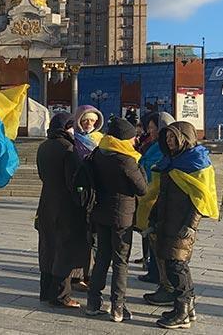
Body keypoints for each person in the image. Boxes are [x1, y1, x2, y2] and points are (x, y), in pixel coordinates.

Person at [151, 122, 217, 329]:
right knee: (172, 263)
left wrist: (191, 225)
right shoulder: (171, 160)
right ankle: (187, 309)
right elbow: (162, 194)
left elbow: (201, 198)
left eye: (173, 137)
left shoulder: (197, 162)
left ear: (185, 137)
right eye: (167, 138)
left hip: (182, 223)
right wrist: (153, 219)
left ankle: (182, 312)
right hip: (167, 219)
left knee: (177, 265)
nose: (170, 141)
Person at [85, 118, 148, 322]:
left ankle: (93, 302)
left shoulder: (99, 153)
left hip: (100, 213)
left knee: (102, 257)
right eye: (131, 138)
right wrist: (140, 166)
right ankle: (118, 307)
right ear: (124, 138)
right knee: (121, 261)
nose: (134, 141)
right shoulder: (127, 160)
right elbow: (142, 188)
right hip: (122, 217)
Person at [35, 112, 89, 308]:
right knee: (64, 249)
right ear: (66, 127)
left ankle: (46, 292)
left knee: (47, 248)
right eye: (72, 126)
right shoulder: (68, 149)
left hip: (46, 202)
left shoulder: (43, 147)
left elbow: (43, 175)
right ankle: (61, 295)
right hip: (65, 206)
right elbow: (73, 181)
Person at [137, 112, 178, 306]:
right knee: (152, 238)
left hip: (159, 199)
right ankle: (157, 275)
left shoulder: (167, 151)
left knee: (164, 246)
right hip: (149, 196)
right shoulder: (153, 146)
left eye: (154, 128)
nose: (150, 131)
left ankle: (170, 288)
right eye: (149, 128)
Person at [70, 104, 105, 291]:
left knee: (95, 238)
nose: (89, 124)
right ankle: (77, 275)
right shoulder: (73, 140)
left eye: (92, 120)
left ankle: (92, 274)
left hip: (96, 191)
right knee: (79, 235)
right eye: (85, 120)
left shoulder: (101, 139)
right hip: (80, 190)